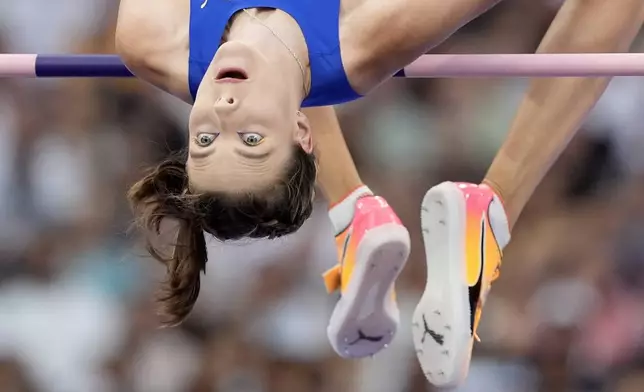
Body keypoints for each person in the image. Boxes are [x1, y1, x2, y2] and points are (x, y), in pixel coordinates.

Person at [115, 0, 644, 386]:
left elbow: (269, 74)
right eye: (250, 141)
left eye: (206, 140)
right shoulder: (375, 27)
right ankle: (491, 206)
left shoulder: (151, 41)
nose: (225, 112)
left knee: (274, 60)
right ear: (303, 132)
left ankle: (356, 212)